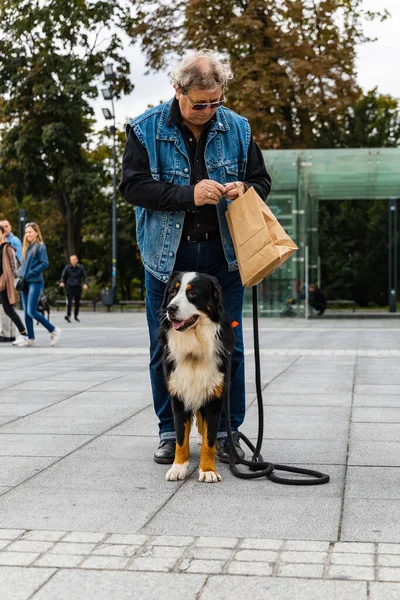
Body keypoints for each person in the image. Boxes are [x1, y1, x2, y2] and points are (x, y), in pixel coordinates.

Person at [120, 50, 271, 465]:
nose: (207, 111)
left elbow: (262, 180)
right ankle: (172, 432)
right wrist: (188, 195)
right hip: (168, 259)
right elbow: (132, 188)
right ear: (178, 91)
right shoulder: (145, 129)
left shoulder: (238, 128)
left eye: (215, 102)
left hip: (224, 256)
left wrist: (245, 189)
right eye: (198, 103)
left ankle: (226, 432)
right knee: (165, 347)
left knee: (230, 347)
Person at [13, 222, 62, 347]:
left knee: (31, 311)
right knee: (26, 312)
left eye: (30, 232)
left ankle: (54, 330)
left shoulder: (40, 246)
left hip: (36, 282)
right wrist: (21, 272)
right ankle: (30, 338)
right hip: (25, 283)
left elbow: (45, 263)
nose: (28, 234)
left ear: (36, 232)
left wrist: (30, 273)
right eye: (26, 232)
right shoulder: (27, 247)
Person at [0, 225, 28, 341]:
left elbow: (14, 266)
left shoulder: (7, 247)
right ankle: (11, 335)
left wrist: (7, 278)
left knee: (8, 308)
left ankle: (23, 332)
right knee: (6, 308)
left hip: (4, 282)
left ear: (2, 234)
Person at [59, 255, 88, 322]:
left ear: (77, 260)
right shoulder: (67, 268)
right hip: (69, 287)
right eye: (72, 260)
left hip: (77, 286)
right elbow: (63, 276)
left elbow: (85, 276)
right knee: (69, 302)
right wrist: (62, 282)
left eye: (74, 259)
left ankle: (76, 315)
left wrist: (86, 284)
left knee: (77, 302)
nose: (73, 261)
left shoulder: (80, 268)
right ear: (70, 261)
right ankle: (68, 315)